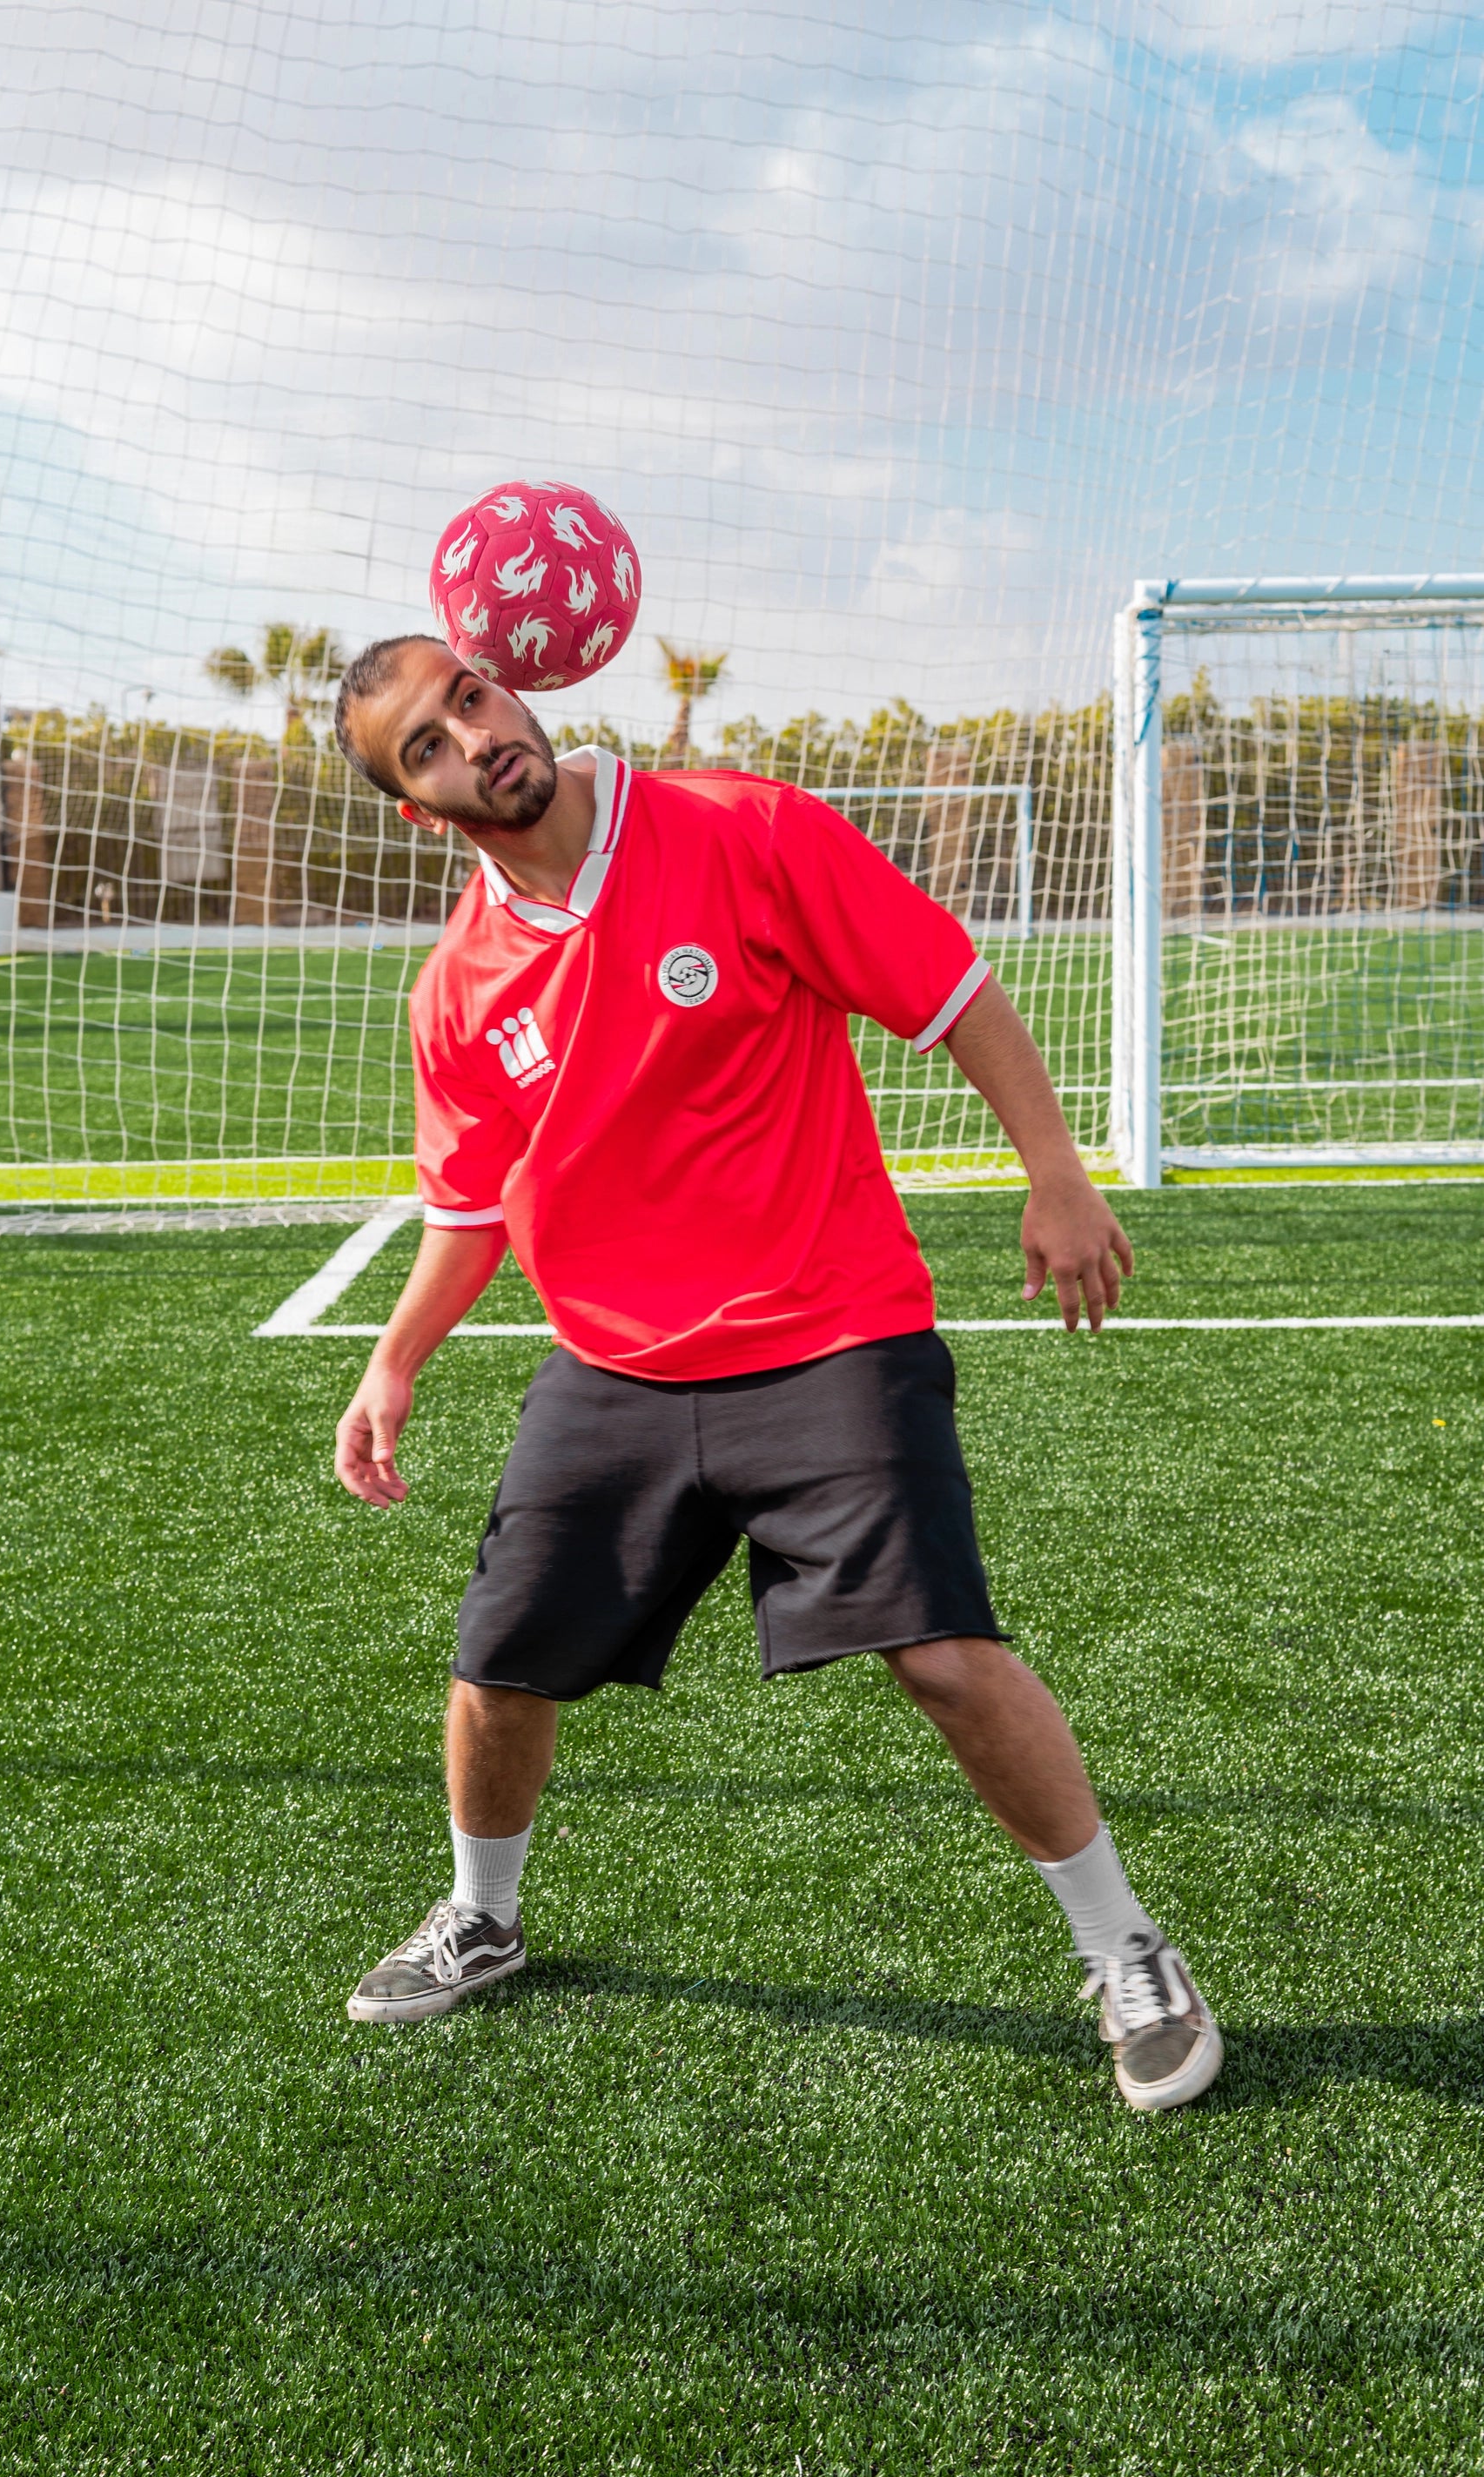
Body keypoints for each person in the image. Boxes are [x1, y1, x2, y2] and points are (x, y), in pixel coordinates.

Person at [327, 634, 1222, 2112]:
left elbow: (953, 990)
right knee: (499, 1664)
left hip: (832, 1332)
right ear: (418, 810)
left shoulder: (742, 829)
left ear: (514, 690)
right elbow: (468, 1208)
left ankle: (1129, 1950)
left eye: (469, 698)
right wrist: (393, 1363)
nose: (470, 738)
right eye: (426, 746)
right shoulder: (458, 990)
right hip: (613, 1366)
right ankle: (482, 1916)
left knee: (944, 1656)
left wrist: (1056, 1174)